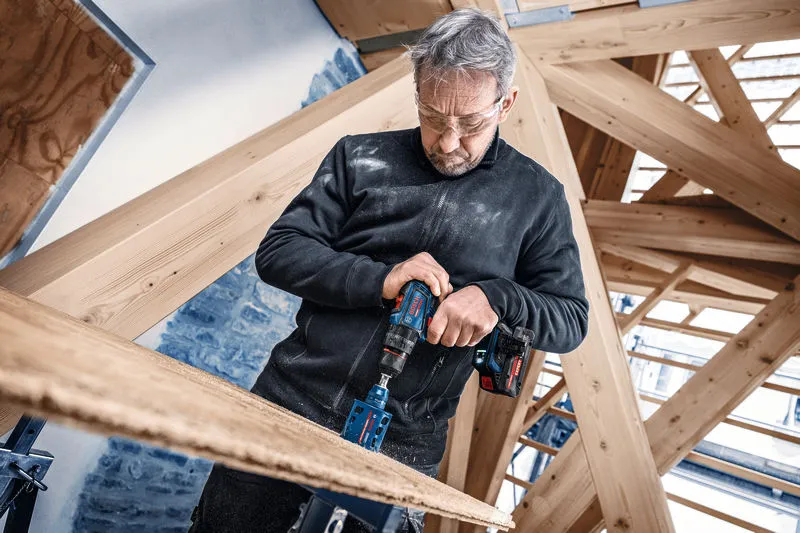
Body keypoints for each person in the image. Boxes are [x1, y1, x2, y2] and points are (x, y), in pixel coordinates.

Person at [189, 8, 589, 533]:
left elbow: (571, 319)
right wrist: (379, 280)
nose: (448, 143)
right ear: (417, 93)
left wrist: (499, 298)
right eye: (433, 117)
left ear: (505, 103)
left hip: (403, 445)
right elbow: (279, 251)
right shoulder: (359, 159)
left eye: (470, 123)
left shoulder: (539, 200)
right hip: (287, 408)